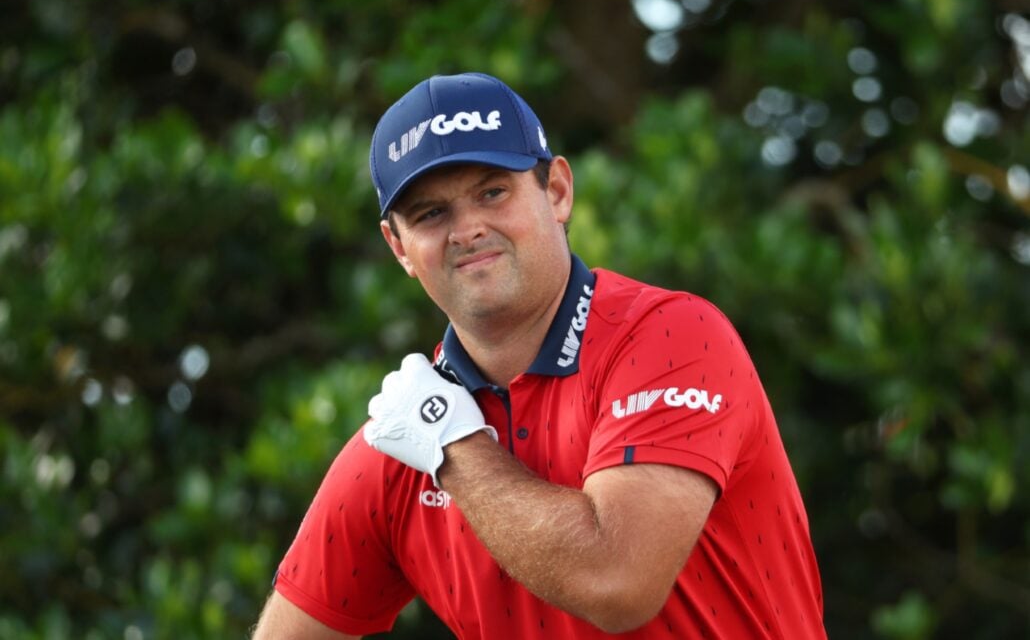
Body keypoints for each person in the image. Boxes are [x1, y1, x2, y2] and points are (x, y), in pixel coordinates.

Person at [252, 72, 826, 639]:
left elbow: (617, 582)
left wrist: (450, 443)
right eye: (431, 214)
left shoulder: (673, 336)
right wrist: (433, 431)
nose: (467, 229)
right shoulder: (399, 444)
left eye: (492, 192)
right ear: (399, 248)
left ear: (556, 191)